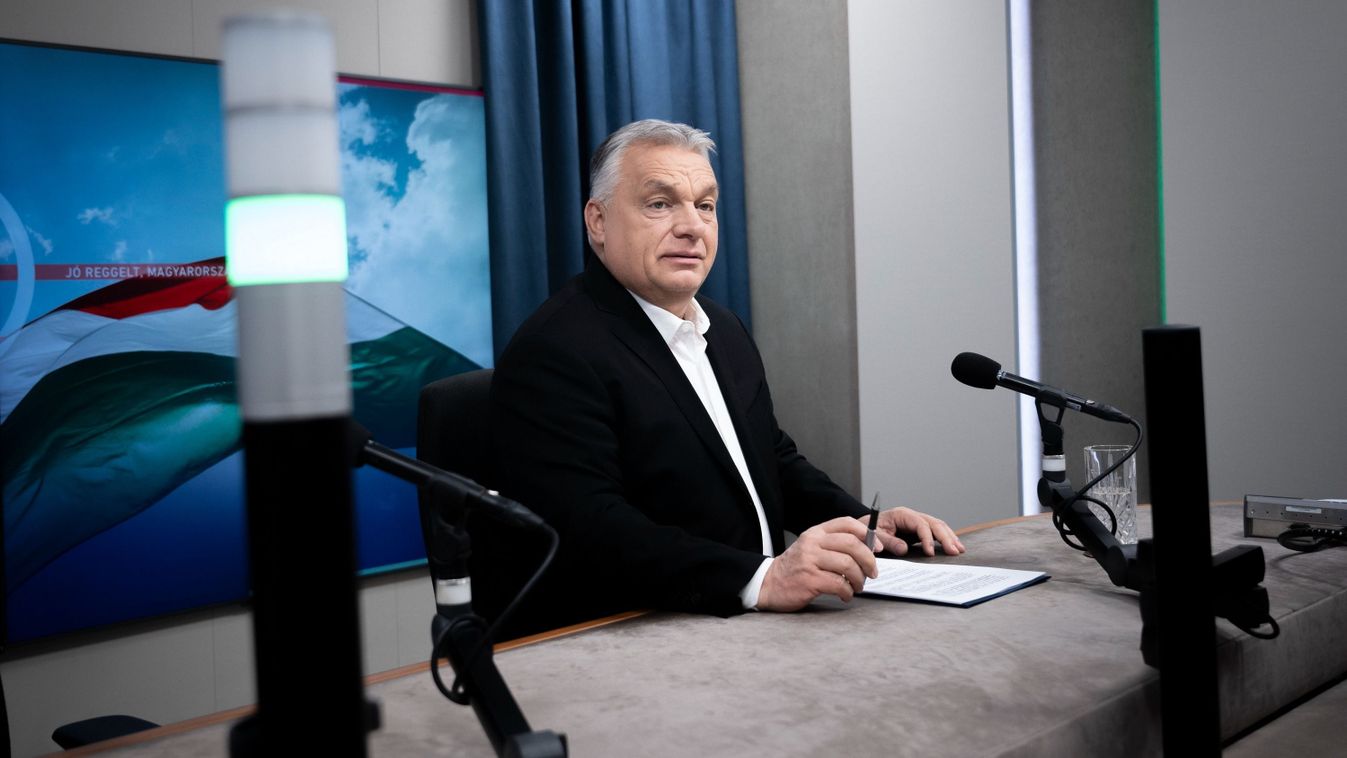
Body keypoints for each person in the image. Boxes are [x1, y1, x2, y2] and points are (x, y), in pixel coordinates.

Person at [487, 119, 964, 634]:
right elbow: (591, 528)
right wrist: (761, 579)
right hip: (638, 636)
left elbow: (771, 459)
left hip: (752, 626)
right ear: (598, 221)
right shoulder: (554, 350)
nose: (692, 226)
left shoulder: (724, 327)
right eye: (660, 204)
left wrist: (866, 528)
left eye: (706, 206)